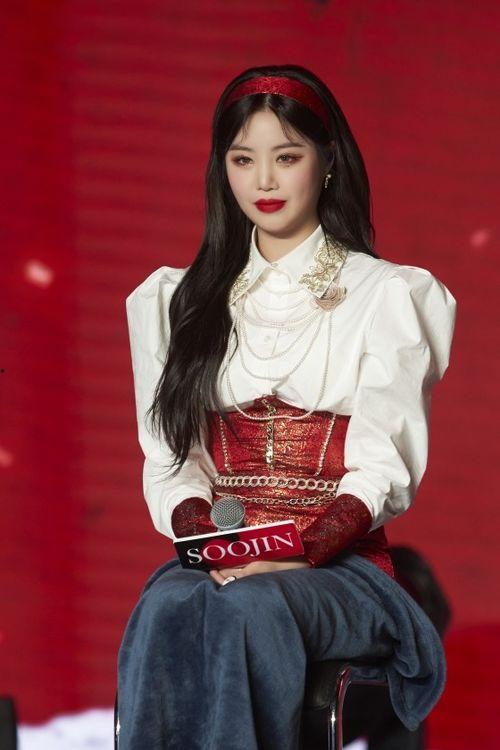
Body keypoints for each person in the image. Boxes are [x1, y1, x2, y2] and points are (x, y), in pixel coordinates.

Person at [116, 64, 457, 750]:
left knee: (250, 606)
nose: (264, 181)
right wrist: (210, 544)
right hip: (227, 559)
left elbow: (382, 468)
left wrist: (296, 552)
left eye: (287, 157)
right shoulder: (179, 299)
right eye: (243, 160)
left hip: (340, 568)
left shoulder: (386, 295)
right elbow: (172, 459)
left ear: (328, 163)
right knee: (166, 605)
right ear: (222, 170)